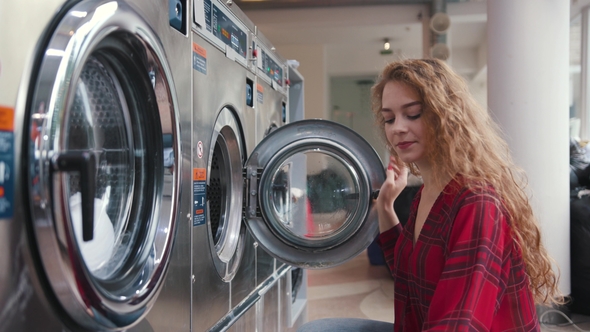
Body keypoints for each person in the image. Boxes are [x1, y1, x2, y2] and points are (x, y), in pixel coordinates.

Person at [297, 58, 562, 332]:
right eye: (389, 118)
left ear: (446, 116)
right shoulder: (429, 190)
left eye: (412, 114)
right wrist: (386, 205)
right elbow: (408, 274)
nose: (397, 128)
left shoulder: (477, 203)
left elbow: (459, 325)